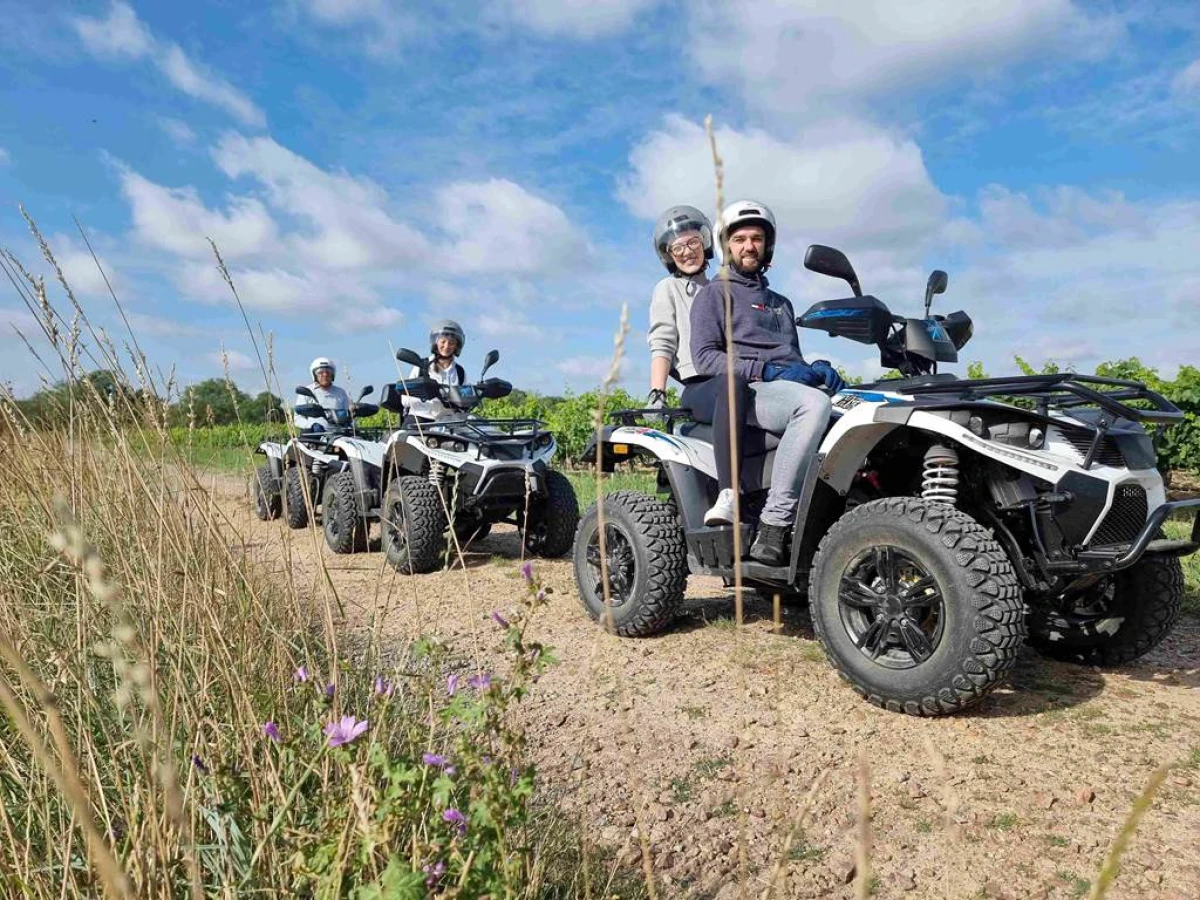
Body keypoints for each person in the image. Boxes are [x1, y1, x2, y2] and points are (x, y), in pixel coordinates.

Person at [690, 200, 844, 565]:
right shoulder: (713, 295)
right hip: (749, 392)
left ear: (767, 245)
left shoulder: (782, 304)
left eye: (756, 238)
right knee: (813, 405)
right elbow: (706, 358)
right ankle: (774, 523)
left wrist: (816, 368)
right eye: (740, 239)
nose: (748, 246)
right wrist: (766, 370)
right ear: (726, 246)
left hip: (781, 392)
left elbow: (792, 361)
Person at [646, 205, 749, 526]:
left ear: (705, 243)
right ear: (668, 256)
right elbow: (662, 342)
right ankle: (729, 493)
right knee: (730, 386)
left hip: (743, 376)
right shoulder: (669, 289)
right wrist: (657, 392)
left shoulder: (725, 287)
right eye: (677, 248)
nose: (686, 252)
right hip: (701, 385)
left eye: (692, 243)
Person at [403, 319, 468, 422]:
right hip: (420, 418)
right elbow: (405, 398)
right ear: (435, 343)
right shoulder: (421, 366)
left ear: (457, 346)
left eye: (451, 343)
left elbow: (464, 399)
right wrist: (424, 395)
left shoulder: (460, 372)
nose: (446, 346)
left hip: (448, 422)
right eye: (443, 341)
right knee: (403, 437)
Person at [295, 356, 351, 432]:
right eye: (321, 373)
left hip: (339, 436)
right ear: (314, 375)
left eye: (328, 372)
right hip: (315, 438)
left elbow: (350, 415)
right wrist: (311, 426)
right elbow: (298, 418)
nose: (325, 375)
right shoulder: (306, 392)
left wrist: (349, 425)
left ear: (333, 374)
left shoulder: (341, 392)